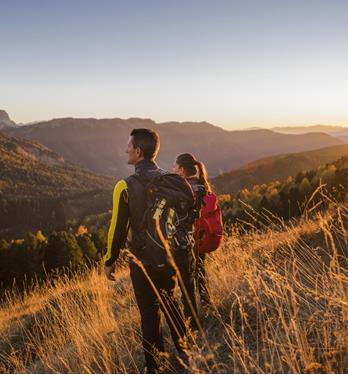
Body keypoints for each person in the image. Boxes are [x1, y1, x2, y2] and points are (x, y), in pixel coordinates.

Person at [103, 129, 189, 373]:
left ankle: (155, 367)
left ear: (138, 152)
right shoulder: (168, 179)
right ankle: (185, 354)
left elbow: (117, 230)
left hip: (142, 262)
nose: (125, 150)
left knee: (149, 316)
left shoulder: (125, 186)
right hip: (168, 254)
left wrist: (109, 260)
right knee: (170, 302)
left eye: (128, 146)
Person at [173, 153, 213, 319]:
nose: (173, 169)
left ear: (182, 169)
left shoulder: (181, 189)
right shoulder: (203, 186)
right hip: (201, 237)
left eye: (175, 167)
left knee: (185, 280)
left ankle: (190, 319)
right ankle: (206, 305)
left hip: (184, 240)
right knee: (200, 272)